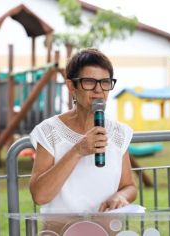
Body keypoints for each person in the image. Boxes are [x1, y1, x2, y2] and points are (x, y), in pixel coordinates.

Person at [29, 48, 137, 214]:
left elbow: (129, 186)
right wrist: (77, 150)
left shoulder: (119, 133)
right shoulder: (49, 131)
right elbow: (40, 196)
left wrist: (121, 196)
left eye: (105, 82)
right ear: (72, 86)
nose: (99, 89)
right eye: (89, 81)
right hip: (61, 231)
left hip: (106, 230)